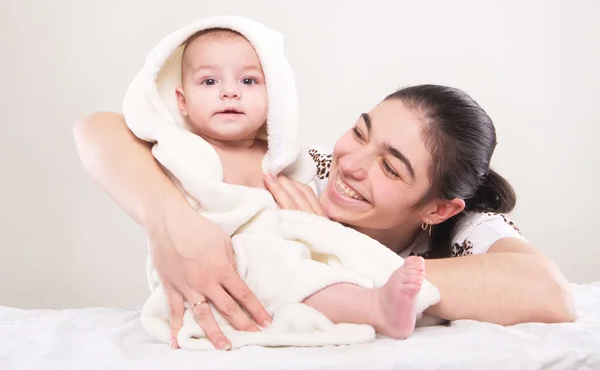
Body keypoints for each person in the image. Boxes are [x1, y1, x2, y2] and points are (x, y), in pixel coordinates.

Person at [74, 80, 576, 353]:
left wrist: (333, 245)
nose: (350, 164)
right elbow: (102, 131)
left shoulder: (464, 228)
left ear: (436, 207)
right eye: (360, 133)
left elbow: (548, 293)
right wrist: (170, 224)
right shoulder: (302, 172)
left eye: (389, 166)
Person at [131, 22, 434, 350]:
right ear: (183, 101)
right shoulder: (184, 149)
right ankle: (375, 307)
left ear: (273, 96)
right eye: (209, 81)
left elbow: (300, 226)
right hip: (216, 264)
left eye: (248, 80)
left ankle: (379, 291)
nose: (229, 91)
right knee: (266, 259)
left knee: (324, 256)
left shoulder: (284, 160)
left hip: (281, 258)